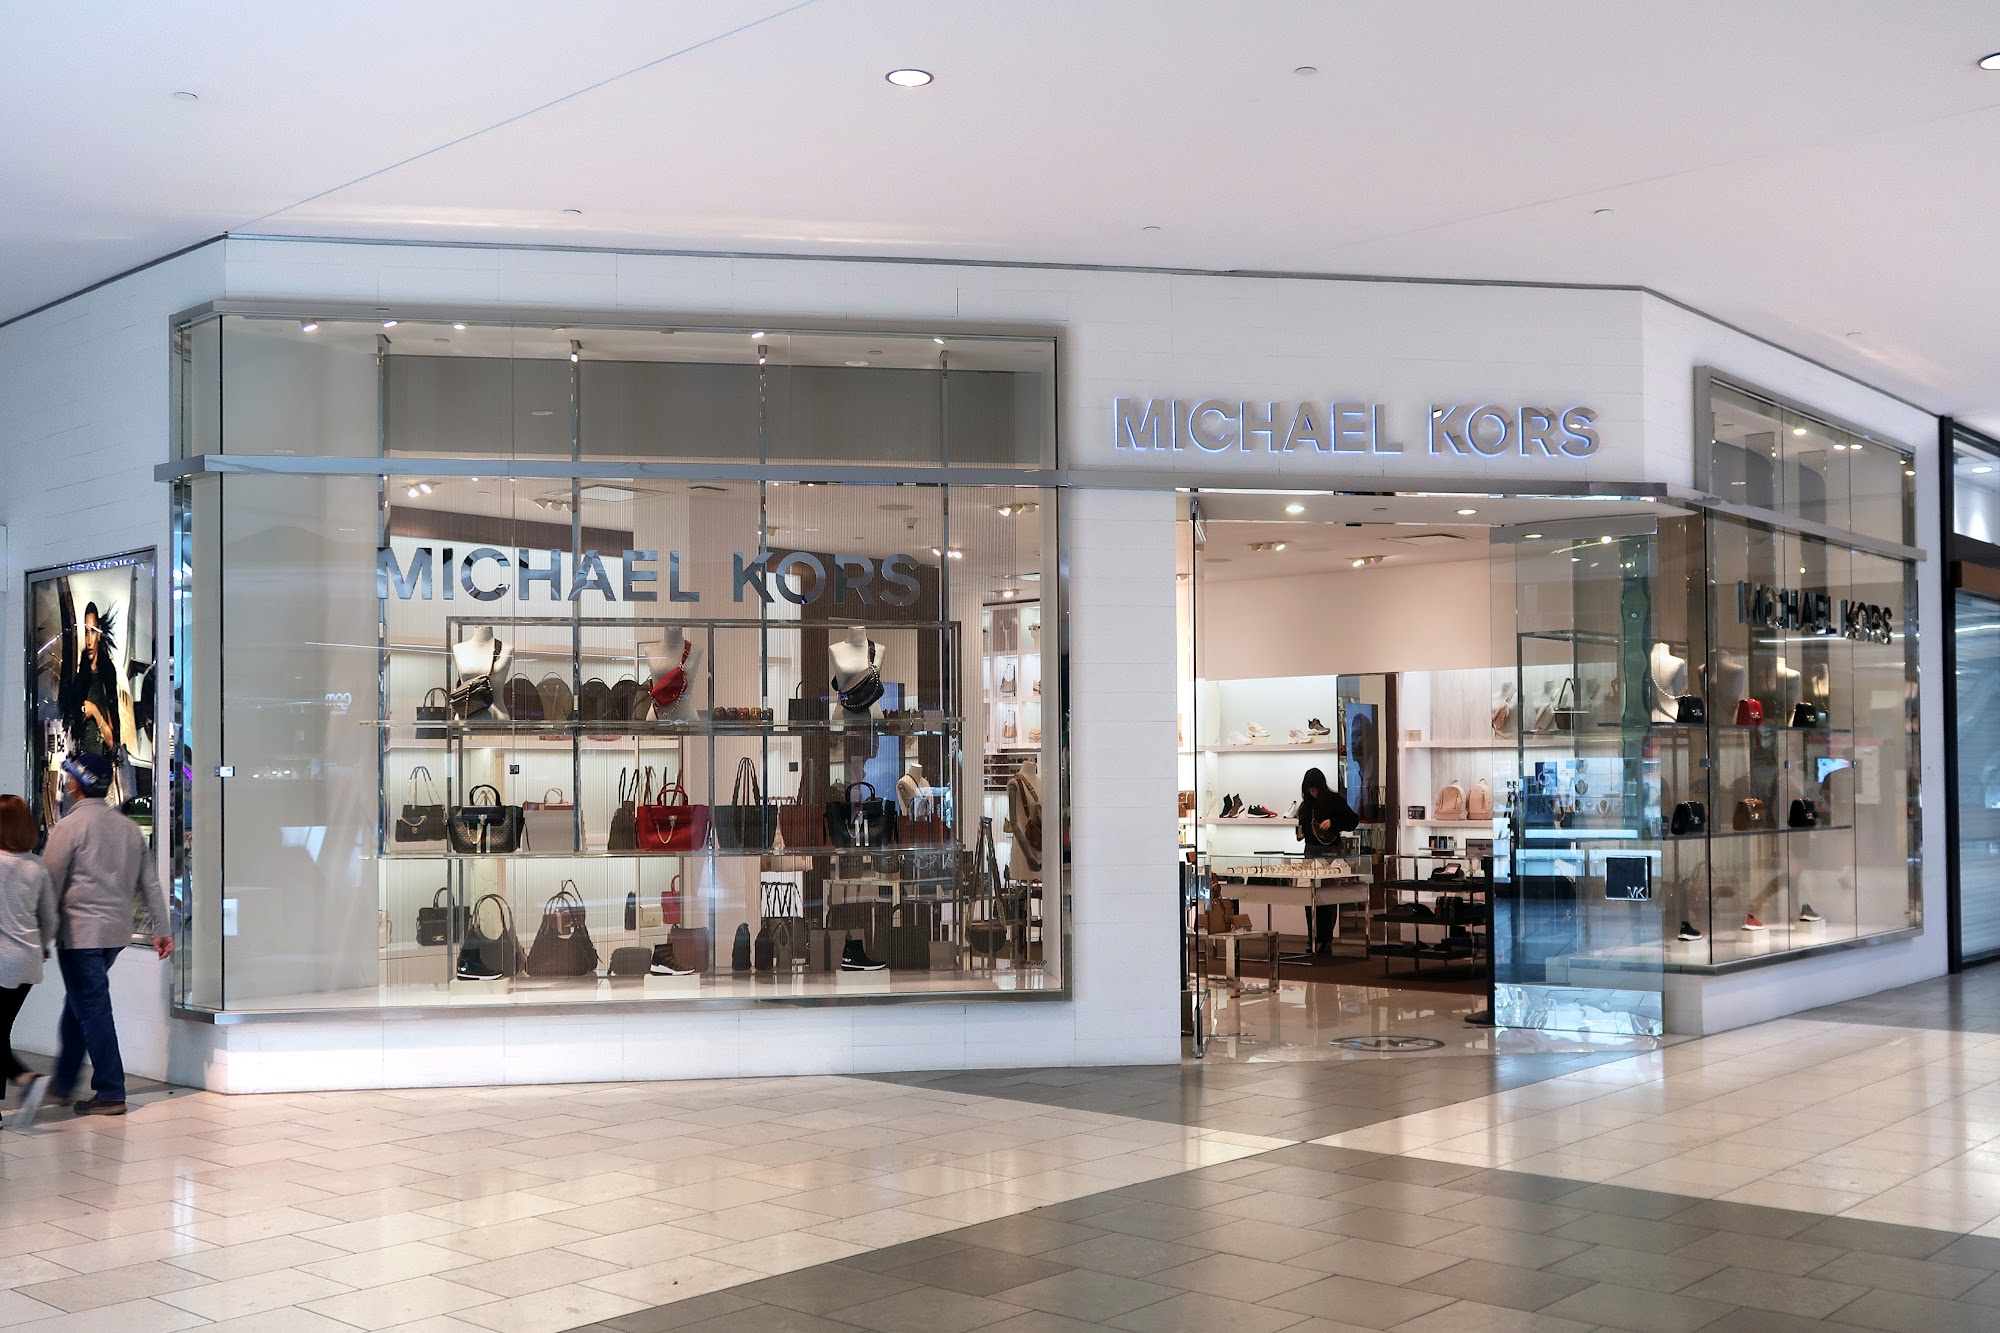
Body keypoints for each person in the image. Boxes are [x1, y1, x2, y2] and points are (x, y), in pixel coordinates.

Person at [33, 753, 171, 1120]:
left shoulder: (68, 827)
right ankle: (64, 1082)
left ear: (76, 783)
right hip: (115, 934)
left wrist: (41, 935)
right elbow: (150, 883)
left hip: (80, 934)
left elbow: (49, 886)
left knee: (92, 1010)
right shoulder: (127, 828)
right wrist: (162, 929)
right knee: (80, 1004)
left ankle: (110, 1091)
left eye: (69, 776)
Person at [0, 795, 58, 1129]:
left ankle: (25, 1077)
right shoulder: (36, 866)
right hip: (28, 960)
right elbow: (49, 918)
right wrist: (42, 945)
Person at [1296, 766, 1360, 956]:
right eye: (1309, 789)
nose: (1312, 792)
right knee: (1310, 898)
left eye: (1314, 788)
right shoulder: (1306, 805)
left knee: (1329, 897)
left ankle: (1326, 940)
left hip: (1330, 852)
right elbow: (1302, 827)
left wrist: (1333, 822)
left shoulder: (1334, 800)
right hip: (1311, 851)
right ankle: (1313, 938)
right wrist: (1300, 834)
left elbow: (1352, 820)